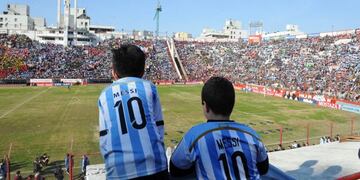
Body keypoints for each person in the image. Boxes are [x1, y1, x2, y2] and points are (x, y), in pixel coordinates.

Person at [170, 77, 269, 179]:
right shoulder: (251, 134)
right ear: (232, 105)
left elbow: (175, 169)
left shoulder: (195, 135)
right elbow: (264, 168)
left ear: (206, 107)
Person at [98, 44, 168, 179]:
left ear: (114, 72)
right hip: (155, 166)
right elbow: (159, 127)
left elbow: (104, 138)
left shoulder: (104, 95)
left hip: (118, 171)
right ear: (142, 71)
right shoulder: (150, 88)